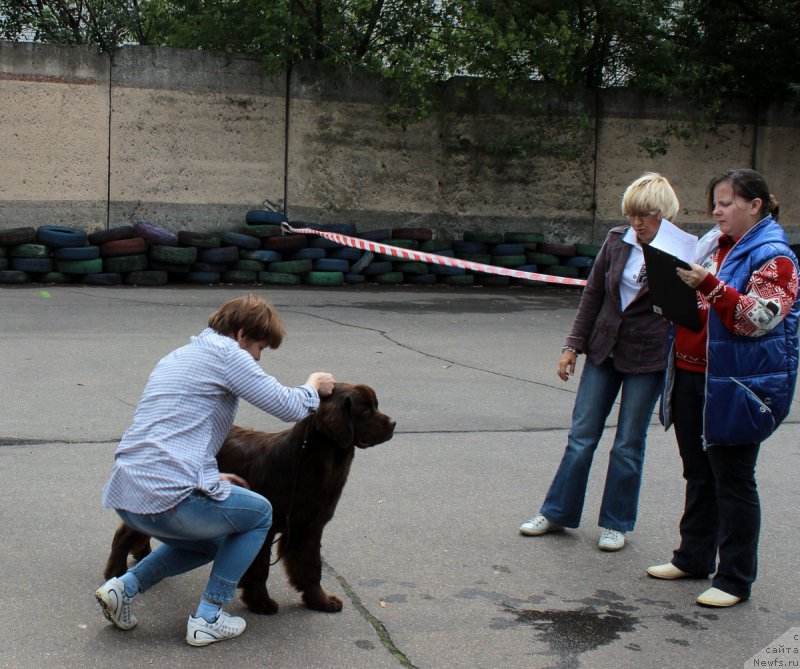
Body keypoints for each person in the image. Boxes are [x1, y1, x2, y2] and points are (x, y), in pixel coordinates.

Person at [95, 293, 335, 646]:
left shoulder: (180, 355)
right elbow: (287, 406)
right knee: (260, 513)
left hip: (128, 493)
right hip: (165, 496)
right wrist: (313, 385)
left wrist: (209, 476)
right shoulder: (228, 355)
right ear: (241, 335)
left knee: (212, 542)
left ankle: (122, 588)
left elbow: (179, 430)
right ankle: (208, 617)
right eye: (260, 348)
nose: (257, 357)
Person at [647, 169, 800, 607]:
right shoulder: (710, 244)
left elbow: (759, 318)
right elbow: (694, 304)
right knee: (697, 472)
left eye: (728, 201)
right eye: (715, 201)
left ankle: (734, 578)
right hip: (690, 373)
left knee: (733, 480)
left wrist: (709, 286)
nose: (717, 209)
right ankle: (693, 556)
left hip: (739, 386)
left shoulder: (777, 257)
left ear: (756, 206)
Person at [519, 172, 680, 551]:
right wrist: (572, 346)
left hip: (649, 355)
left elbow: (684, 310)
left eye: (646, 214)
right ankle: (557, 512)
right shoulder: (615, 240)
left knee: (628, 442)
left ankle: (615, 523)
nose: (637, 222)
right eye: (632, 214)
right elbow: (592, 295)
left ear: (665, 213)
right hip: (604, 350)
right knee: (581, 437)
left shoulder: (681, 251)